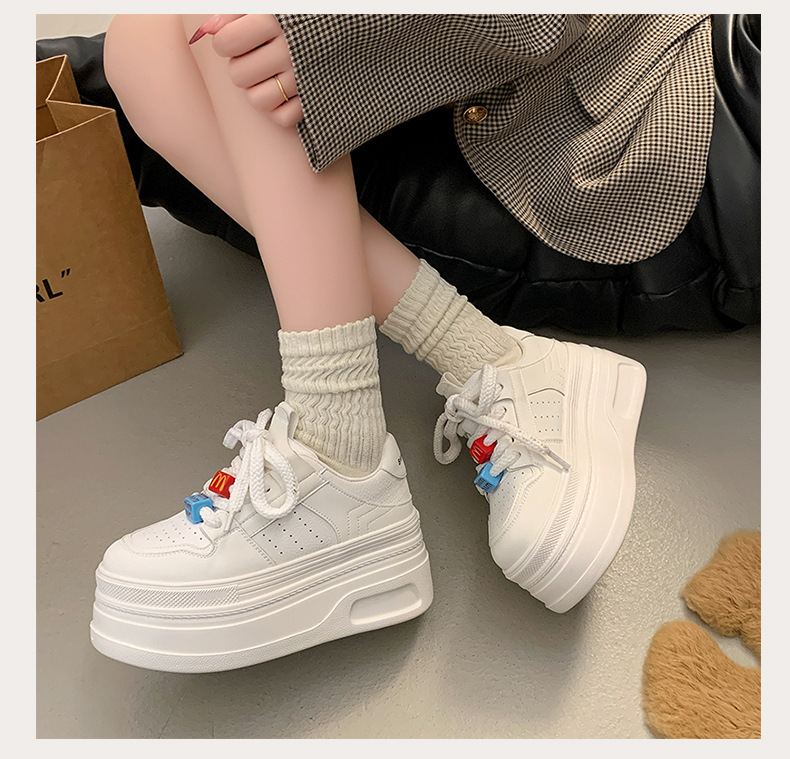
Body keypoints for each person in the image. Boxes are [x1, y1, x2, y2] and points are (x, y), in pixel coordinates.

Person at [88, 13, 714, 673]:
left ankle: (340, 448)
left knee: (236, 33)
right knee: (141, 42)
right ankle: (483, 361)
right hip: (498, 104)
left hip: (645, 128)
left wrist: (324, 29)